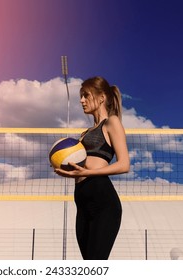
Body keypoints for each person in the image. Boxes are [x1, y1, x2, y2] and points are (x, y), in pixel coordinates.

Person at [55, 76, 130, 260]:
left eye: (86, 95)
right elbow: (80, 167)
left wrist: (89, 172)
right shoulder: (84, 134)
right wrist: (64, 167)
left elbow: (124, 164)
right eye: (81, 96)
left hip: (102, 201)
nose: (82, 100)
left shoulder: (111, 122)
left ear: (102, 97)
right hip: (82, 201)